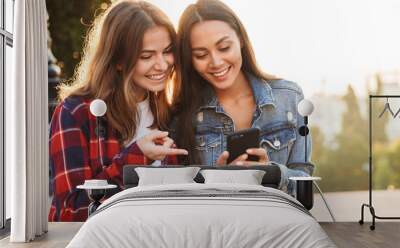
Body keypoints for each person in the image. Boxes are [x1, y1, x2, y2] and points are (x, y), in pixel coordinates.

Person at [49, 0, 187, 222]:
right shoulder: (76, 112)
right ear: (119, 60)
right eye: (146, 56)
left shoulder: (171, 115)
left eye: (167, 51)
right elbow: (70, 211)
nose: (162, 65)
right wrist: (137, 156)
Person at [172, 0, 314, 195]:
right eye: (201, 54)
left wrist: (271, 174)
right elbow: (179, 194)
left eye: (223, 47)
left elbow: (305, 183)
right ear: (190, 59)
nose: (216, 62)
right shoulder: (181, 116)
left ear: (240, 40)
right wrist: (217, 180)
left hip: (276, 220)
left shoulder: (289, 98)